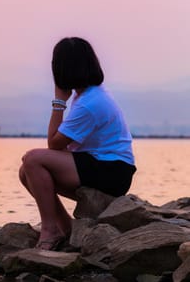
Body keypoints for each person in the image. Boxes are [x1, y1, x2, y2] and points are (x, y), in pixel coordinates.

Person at [18, 37, 136, 251]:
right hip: (104, 165)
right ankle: (64, 227)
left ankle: (49, 230)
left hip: (112, 171)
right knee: (26, 171)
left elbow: (54, 144)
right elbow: (61, 147)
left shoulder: (90, 103)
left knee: (33, 160)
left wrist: (59, 101)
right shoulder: (88, 96)